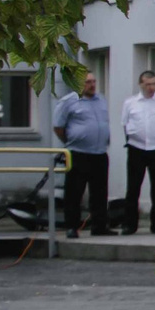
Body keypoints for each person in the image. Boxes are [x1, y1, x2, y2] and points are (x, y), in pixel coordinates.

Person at [53, 70, 110, 237]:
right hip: (78, 153)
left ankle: (99, 227)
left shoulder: (101, 100)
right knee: (74, 192)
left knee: (100, 193)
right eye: (87, 82)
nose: (92, 85)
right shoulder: (69, 101)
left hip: (99, 153)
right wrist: (73, 141)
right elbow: (58, 127)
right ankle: (72, 226)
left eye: (93, 81)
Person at [121, 69, 155, 233]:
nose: (151, 87)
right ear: (141, 84)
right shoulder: (131, 103)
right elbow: (125, 125)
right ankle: (129, 224)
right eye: (147, 84)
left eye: (153, 84)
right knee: (133, 188)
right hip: (137, 148)